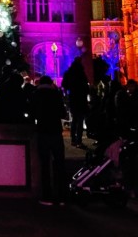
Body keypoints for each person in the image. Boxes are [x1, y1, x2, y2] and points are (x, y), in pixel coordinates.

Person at [29, 75, 67, 205]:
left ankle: (47, 196)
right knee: (59, 163)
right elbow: (63, 113)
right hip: (56, 131)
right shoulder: (56, 94)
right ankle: (62, 195)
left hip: (43, 130)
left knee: (44, 164)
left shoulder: (36, 94)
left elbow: (32, 113)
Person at [62, 57, 91, 148]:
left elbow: (64, 85)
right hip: (81, 99)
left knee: (74, 119)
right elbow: (86, 86)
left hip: (73, 98)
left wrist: (68, 92)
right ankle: (79, 140)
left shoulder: (69, 73)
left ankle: (73, 139)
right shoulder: (81, 73)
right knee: (80, 119)